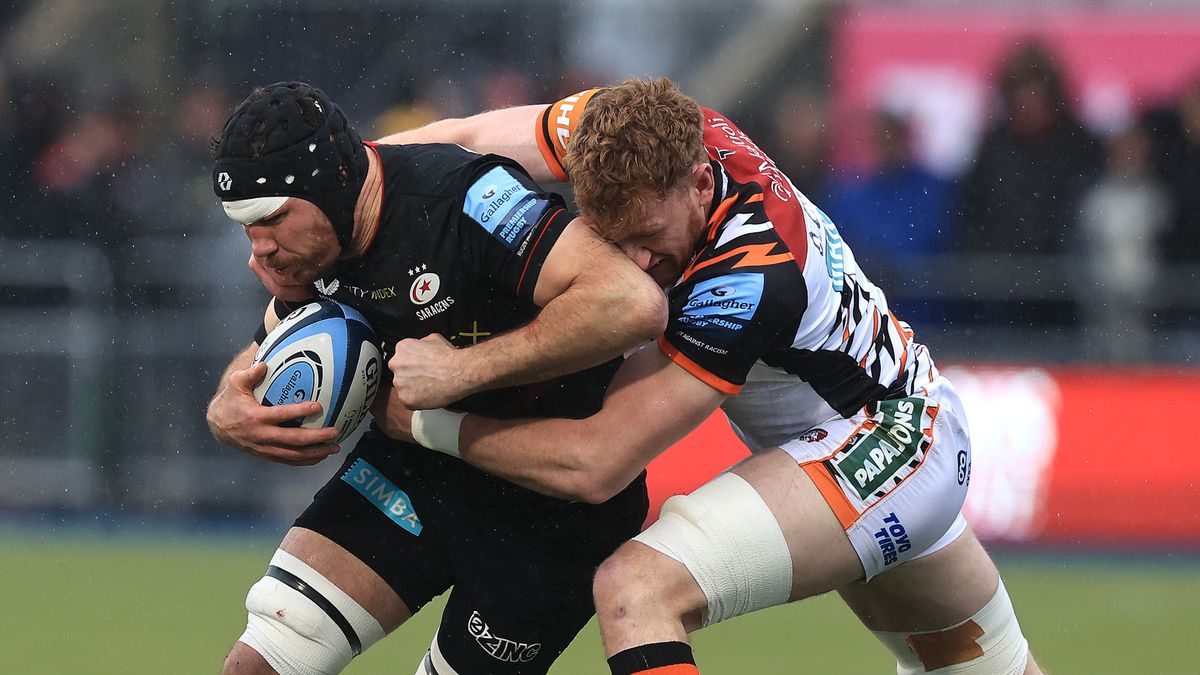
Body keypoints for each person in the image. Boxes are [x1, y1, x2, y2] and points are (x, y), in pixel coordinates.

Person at [377, 77, 1043, 674]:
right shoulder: (632, 133)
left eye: (647, 235)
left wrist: (427, 418)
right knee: (979, 666)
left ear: (699, 184)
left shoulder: (750, 276)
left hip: (889, 442)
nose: (635, 261)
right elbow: (458, 144)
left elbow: (595, 462)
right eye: (611, 235)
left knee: (637, 589)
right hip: (900, 422)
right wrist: (344, 185)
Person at [205, 81, 668, 675]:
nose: (258, 249)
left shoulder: (466, 198)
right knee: (260, 663)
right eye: (245, 226)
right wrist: (226, 405)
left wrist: (464, 369)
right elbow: (270, 339)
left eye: (270, 221)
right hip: (417, 470)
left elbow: (631, 303)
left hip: (551, 514)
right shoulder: (310, 248)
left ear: (331, 187)